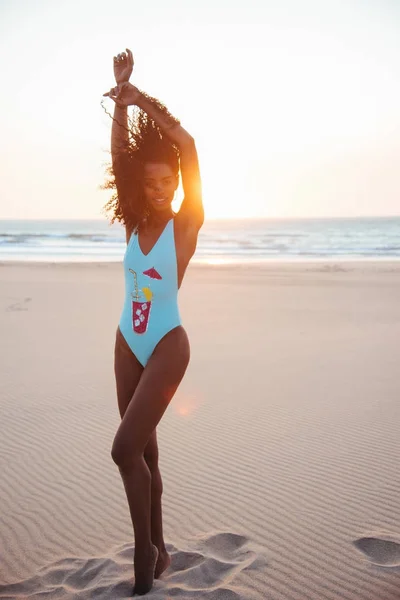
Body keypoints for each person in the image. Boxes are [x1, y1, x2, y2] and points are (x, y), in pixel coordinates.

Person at [102, 48, 204, 595]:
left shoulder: (185, 227)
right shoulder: (135, 221)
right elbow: (120, 157)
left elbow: (186, 146)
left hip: (167, 344)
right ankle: (161, 548)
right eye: (152, 181)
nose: (161, 187)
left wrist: (144, 100)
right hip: (126, 342)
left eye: (169, 181)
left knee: (122, 450)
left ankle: (144, 557)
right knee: (144, 453)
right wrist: (120, 101)